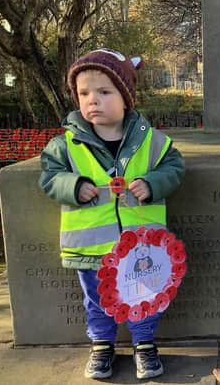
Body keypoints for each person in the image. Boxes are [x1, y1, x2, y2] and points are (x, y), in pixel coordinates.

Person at [39, 48, 185, 380]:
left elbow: (174, 167)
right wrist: (73, 186)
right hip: (91, 248)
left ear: (126, 97)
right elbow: (49, 176)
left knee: (144, 296)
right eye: (84, 93)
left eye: (104, 92)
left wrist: (152, 183)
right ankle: (102, 345)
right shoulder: (66, 144)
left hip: (141, 248)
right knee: (97, 300)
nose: (93, 100)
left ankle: (144, 344)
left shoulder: (152, 141)